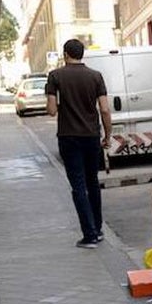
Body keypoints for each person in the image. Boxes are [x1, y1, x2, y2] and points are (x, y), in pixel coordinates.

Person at [46, 39, 111, 248]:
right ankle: (98, 229)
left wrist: (56, 98)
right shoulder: (95, 76)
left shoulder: (55, 76)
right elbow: (104, 109)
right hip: (92, 136)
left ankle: (89, 235)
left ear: (65, 54)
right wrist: (108, 135)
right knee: (93, 182)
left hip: (68, 136)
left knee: (78, 186)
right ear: (82, 54)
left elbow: (51, 111)